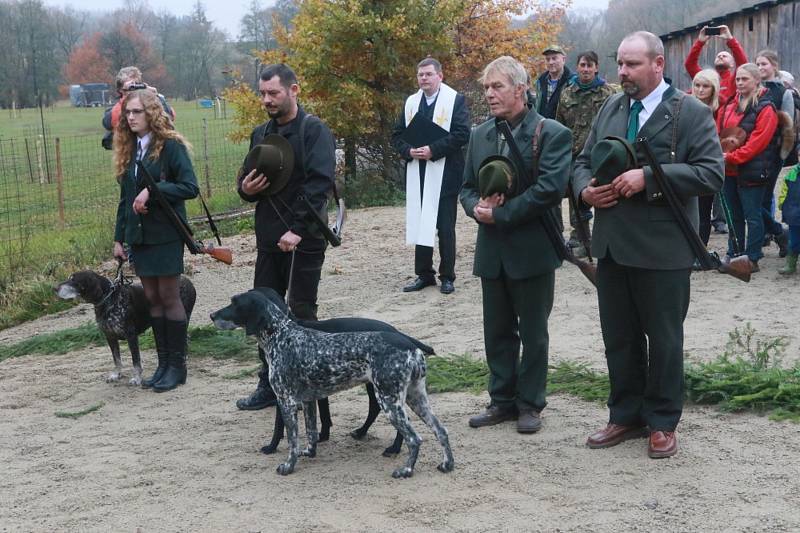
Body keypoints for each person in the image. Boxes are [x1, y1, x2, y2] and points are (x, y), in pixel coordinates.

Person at [573, 32, 723, 458]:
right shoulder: (611, 107)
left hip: (664, 246)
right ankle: (625, 414)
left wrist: (650, 179)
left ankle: (661, 421)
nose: (623, 72)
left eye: (632, 64)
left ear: (658, 64)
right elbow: (583, 160)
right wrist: (585, 190)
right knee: (618, 336)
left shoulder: (689, 112)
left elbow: (712, 173)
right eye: (619, 63)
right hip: (613, 244)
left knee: (664, 338)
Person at [460, 56, 572, 434]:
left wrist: (502, 216)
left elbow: (549, 190)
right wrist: (475, 209)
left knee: (534, 332)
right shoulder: (479, 135)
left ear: (521, 89)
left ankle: (530, 403)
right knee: (497, 330)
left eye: (498, 87)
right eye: (487, 88)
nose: (490, 94)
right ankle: (502, 400)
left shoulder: (551, 132)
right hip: (492, 249)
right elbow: (466, 187)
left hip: (532, 247)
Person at [235, 63, 336, 410]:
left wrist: (297, 229)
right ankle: (269, 385)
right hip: (267, 237)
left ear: (294, 90)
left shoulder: (314, 131)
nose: (267, 100)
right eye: (262, 93)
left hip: (304, 237)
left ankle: (310, 387)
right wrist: (245, 189)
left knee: (301, 311)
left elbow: (319, 185)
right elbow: (246, 179)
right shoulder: (260, 133)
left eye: (273, 93)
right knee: (263, 311)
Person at [112, 89, 199, 392]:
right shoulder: (130, 149)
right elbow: (125, 200)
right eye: (128, 113)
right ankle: (163, 365)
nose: (131, 117)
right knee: (152, 300)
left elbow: (189, 186)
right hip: (140, 237)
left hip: (166, 234)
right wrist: (119, 239)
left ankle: (178, 366)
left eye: (137, 112)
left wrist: (154, 191)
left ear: (151, 113)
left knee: (169, 297)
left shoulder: (170, 146)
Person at [391, 57, 470, 294]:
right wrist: (409, 150)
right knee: (420, 224)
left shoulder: (455, 100)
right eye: (420, 75)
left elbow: (462, 133)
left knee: (445, 227)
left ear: (440, 76)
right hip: (418, 171)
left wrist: (433, 149)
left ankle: (447, 276)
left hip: (445, 172)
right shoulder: (411, 102)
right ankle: (424, 274)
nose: (423, 78)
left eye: (428, 74)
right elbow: (397, 136)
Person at [717, 63, 779, 271]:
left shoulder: (766, 107)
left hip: (751, 168)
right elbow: (718, 132)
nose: (740, 82)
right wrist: (720, 155)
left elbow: (758, 142)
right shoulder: (728, 105)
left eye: (745, 79)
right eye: (738, 79)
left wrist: (733, 156)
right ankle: (734, 253)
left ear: (756, 80)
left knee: (752, 215)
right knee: (734, 215)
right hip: (729, 168)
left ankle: (751, 258)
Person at [555, 50, 617, 257]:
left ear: (596, 68)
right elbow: (560, 125)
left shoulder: (608, 93)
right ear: (577, 67)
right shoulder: (567, 93)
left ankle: (606, 240)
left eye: (590, 65)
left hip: (602, 155)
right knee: (578, 197)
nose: (586, 69)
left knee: (605, 196)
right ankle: (582, 238)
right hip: (574, 156)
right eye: (582, 65)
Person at [755, 50, 791, 255]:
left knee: (764, 197)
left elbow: (788, 127)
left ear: (774, 66)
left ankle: (774, 234)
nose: (760, 68)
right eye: (757, 64)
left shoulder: (782, 92)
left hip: (773, 152)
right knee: (754, 199)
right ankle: (774, 233)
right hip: (752, 151)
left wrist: (782, 153)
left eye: (764, 64)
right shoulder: (753, 88)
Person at [102, 67, 175, 150]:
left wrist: (156, 96)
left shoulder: (150, 103)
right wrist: (126, 100)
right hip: (129, 152)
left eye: (137, 86)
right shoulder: (116, 107)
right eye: (131, 87)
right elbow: (107, 122)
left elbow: (169, 117)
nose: (134, 91)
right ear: (120, 90)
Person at [691, 69, 723, 249]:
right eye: (697, 85)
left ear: (713, 89)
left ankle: (701, 250)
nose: (700, 90)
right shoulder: (684, 105)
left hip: (708, 164)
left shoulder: (720, 110)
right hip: (688, 163)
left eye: (705, 86)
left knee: (704, 209)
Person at [684, 25, 747, 106]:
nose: (720, 56)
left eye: (725, 56)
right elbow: (690, 65)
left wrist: (730, 39)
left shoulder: (734, 81)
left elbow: (742, 64)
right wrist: (700, 42)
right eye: (718, 56)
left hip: (723, 117)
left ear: (732, 64)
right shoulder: (705, 78)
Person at [534, 45, 572, 120]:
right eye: (548, 59)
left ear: (563, 60)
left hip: (564, 128)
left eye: (554, 58)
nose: (551, 62)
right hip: (543, 127)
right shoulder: (540, 82)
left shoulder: (572, 82)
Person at [778, 165, 800, 274]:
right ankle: (791, 265)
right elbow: (784, 191)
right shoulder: (792, 173)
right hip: (794, 213)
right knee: (794, 241)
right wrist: (783, 204)